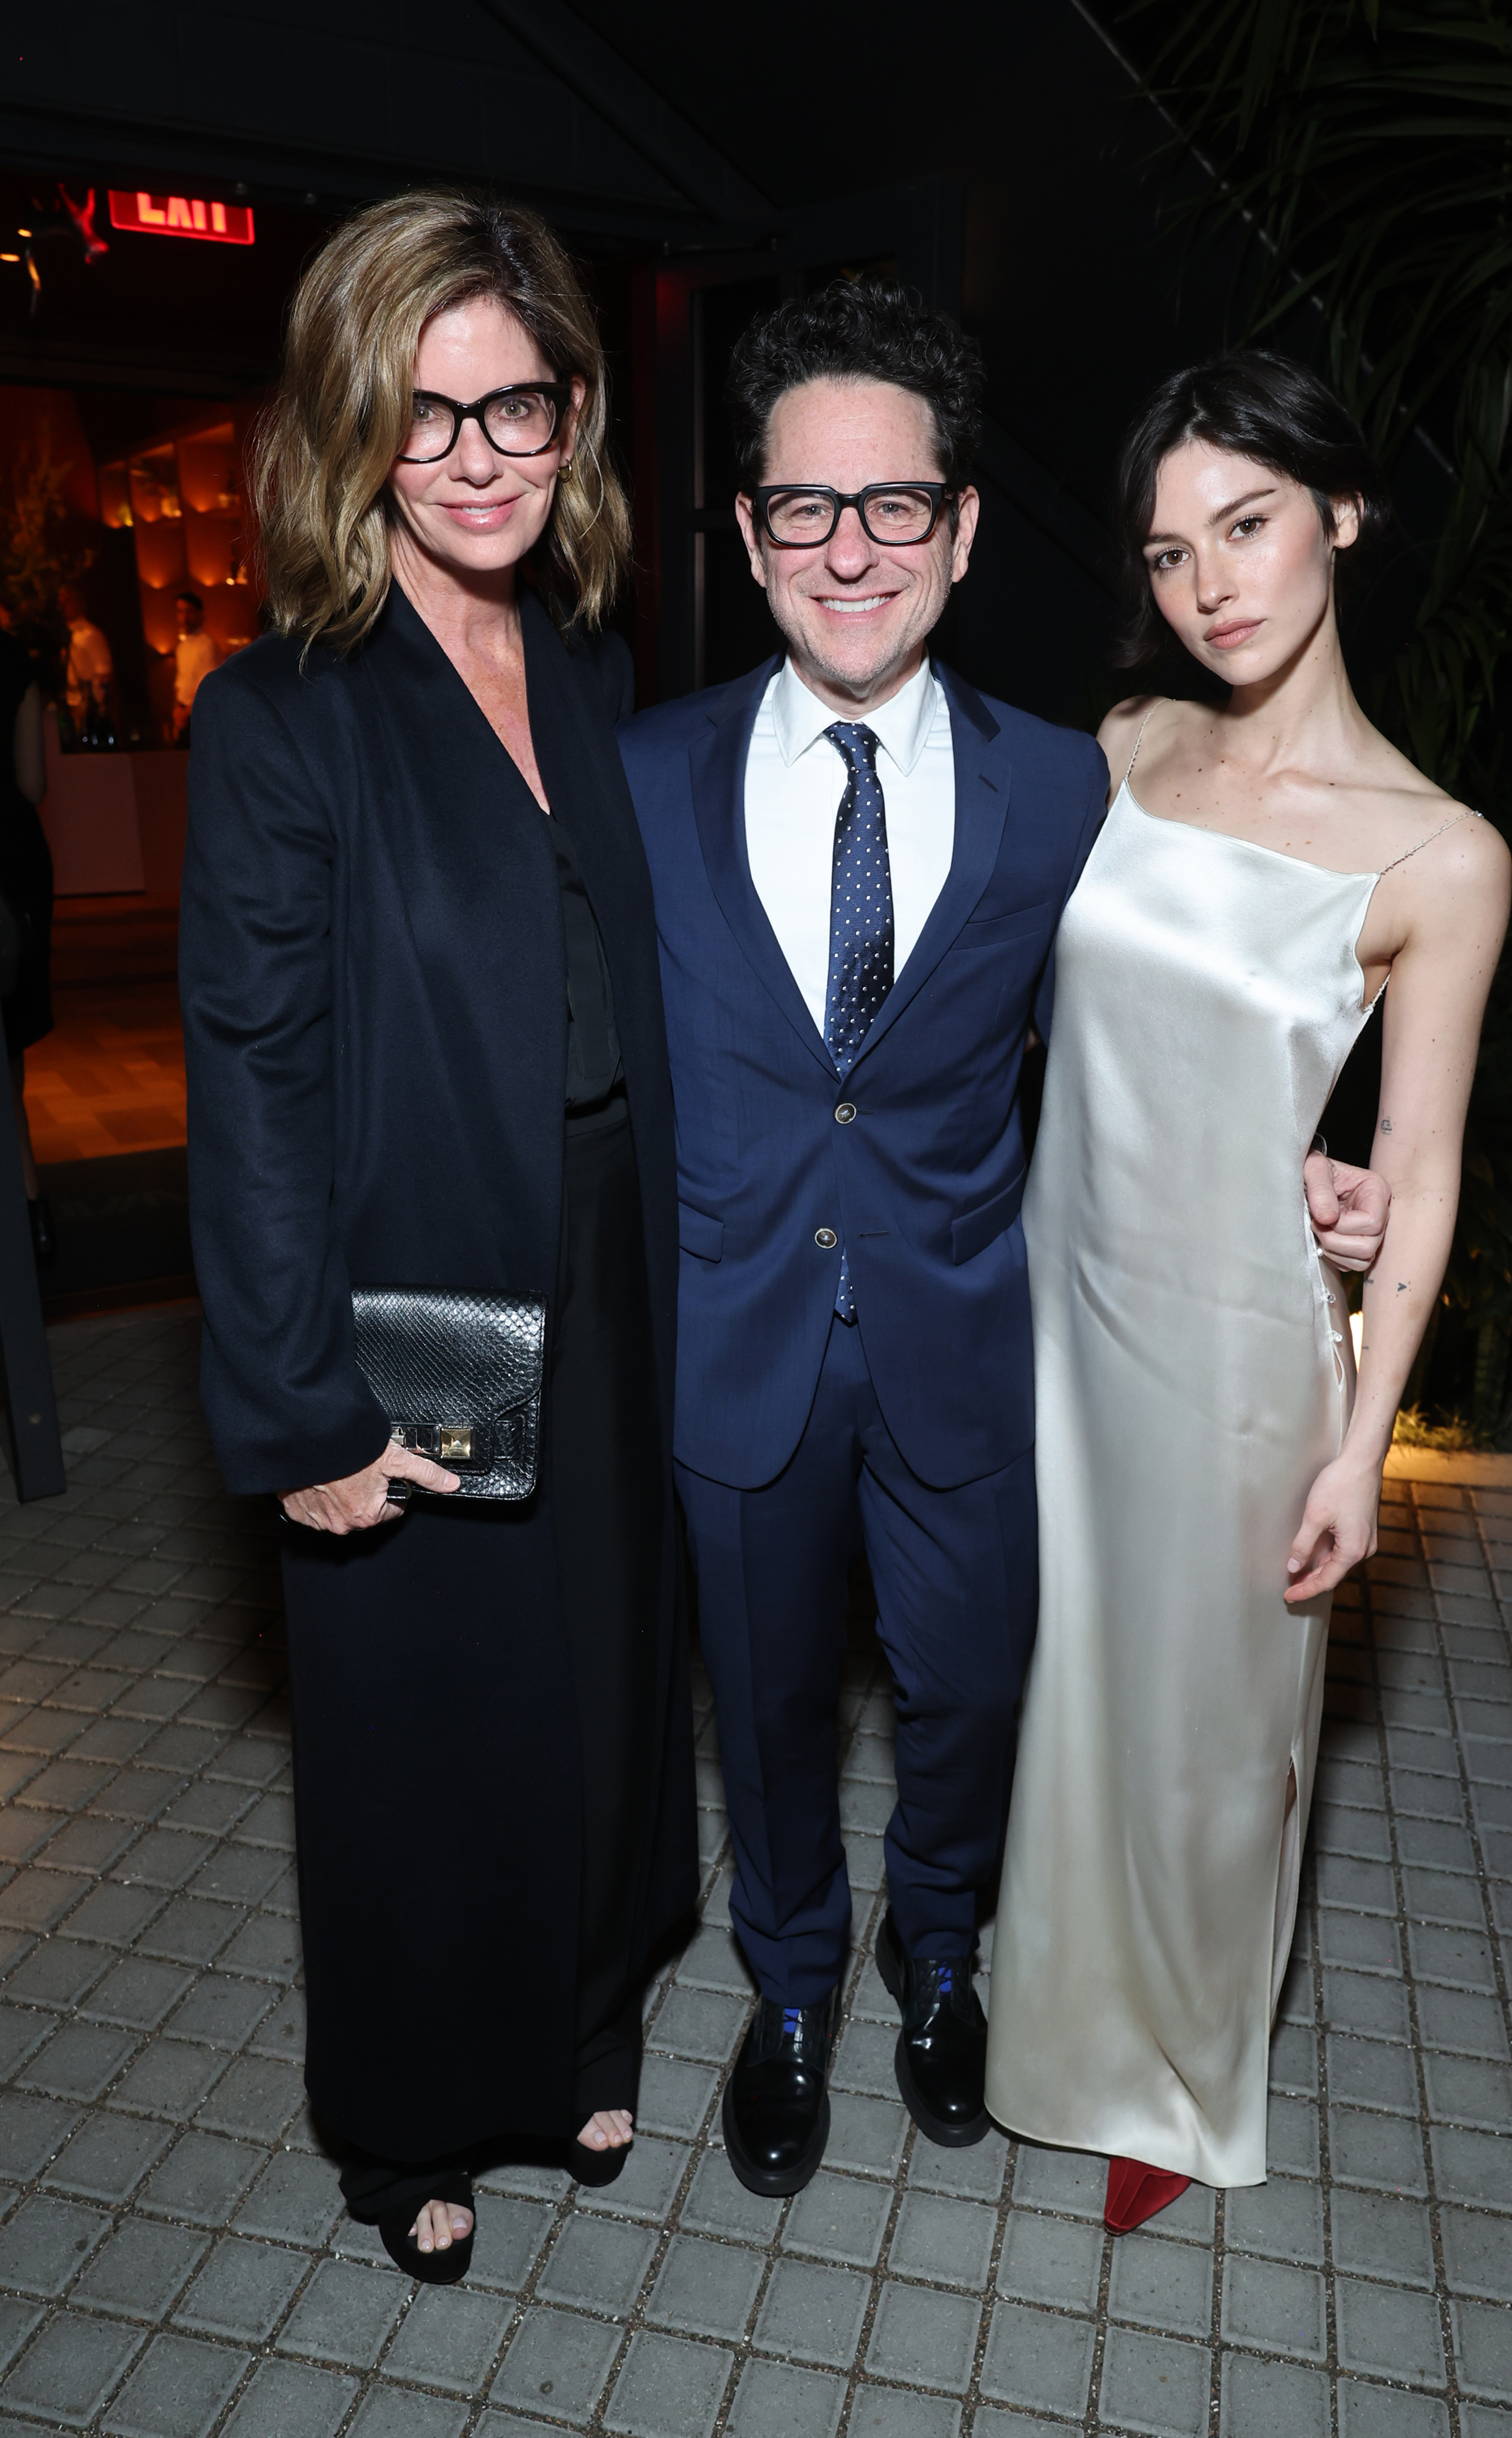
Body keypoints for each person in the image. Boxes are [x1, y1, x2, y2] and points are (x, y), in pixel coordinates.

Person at [617, 289, 1385, 2198]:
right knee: (771, 1705)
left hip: (973, 1340)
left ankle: (932, 1946)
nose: (847, 550)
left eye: (895, 508)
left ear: (963, 534)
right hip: (733, 1347)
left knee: (968, 1689)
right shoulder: (642, 783)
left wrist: (1303, 1167)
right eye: (803, 509)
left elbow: (1183, 999)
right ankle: (790, 1979)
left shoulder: (1068, 784)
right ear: (744, 534)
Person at [179, 189, 696, 2281]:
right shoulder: (285, 712)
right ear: (353, 430)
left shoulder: (578, 654)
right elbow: (254, 1084)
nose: (486, 457)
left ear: (575, 412)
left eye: (524, 406)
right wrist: (296, 1395)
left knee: (593, 1680)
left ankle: (578, 2013)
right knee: (422, 1728)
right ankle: (412, 2123)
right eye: (432, 416)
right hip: (411, 1288)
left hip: (607, 1245)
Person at [986, 352, 1510, 2228]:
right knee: (1057, 1677)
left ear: (1343, 514)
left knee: (1213, 1726)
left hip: (1236, 1343)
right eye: (1172, 548)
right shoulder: (1125, 748)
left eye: (1251, 522)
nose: (1212, 581)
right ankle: (1039, 2005)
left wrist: (1363, 1444)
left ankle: (1172, 2073)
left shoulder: (1442, 853)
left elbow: (1428, 1162)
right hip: (1061, 1295)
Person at [0, 626, 55, 1261]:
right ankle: (34, 1213)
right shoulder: (11, 656)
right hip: (11, 871)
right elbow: (33, 784)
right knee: (8, 1057)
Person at [58, 584, 115, 743]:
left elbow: (105, 674)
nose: (62, 606)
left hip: (89, 707)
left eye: (67, 601)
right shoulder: (63, 636)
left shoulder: (90, 635)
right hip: (68, 706)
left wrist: (90, 703)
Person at [169, 590, 220, 743]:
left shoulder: (208, 645)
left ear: (200, 614)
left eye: (189, 612)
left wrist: (187, 712)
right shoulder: (181, 647)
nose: (184, 618)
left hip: (201, 714)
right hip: (185, 715)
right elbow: (181, 683)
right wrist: (177, 709)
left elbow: (206, 685)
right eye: (180, 612)